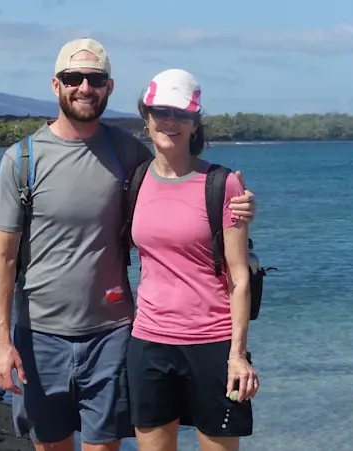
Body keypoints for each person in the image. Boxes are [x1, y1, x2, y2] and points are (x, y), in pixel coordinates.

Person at [0, 38, 256, 451]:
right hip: (42, 336)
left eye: (95, 79)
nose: (84, 87)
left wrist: (239, 202)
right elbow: (2, 257)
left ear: (109, 88)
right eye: (73, 78)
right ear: (55, 84)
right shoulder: (22, 160)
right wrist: (2, 345)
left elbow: (182, 184)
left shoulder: (127, 153)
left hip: (113, 337)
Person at [125, 68, 259, 451]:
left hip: (212, 343)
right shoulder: (135, 181)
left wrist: (238, 355)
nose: (170, 122)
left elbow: (239, 278)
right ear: (146, 116)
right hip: (149, 342)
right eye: (161, 111)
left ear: (195, 122)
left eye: (181, 114)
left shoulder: (222, 183)